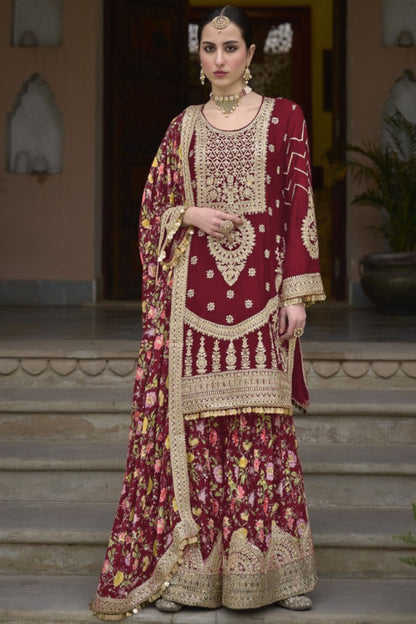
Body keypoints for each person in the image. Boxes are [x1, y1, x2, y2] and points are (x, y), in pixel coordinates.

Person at [91, 5, 325, 620]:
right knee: (197, 440)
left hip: (263, 303)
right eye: (208, 48)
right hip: (192, 309)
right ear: (201, 58)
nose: (218, 59)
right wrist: (186, 215)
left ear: (252, 54)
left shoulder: (285, 120)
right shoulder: (183, 128)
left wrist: (297, 293)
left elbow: (298, 204)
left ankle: (276, 576)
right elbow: (151, 211)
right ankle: (190, 575)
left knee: (263, 435)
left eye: (230, 47)